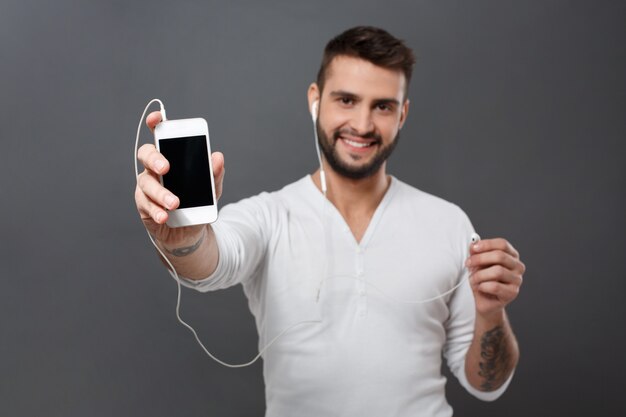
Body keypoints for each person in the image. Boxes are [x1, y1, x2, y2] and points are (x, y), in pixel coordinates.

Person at [135, 26, 525, 416]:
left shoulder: (448, 223)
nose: (363, 124)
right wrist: (182, 240)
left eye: (383, 106)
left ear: (402, 114)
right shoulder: (271, 217)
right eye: (346, 100)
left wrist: (491, 312)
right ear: (315, 101)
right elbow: (210, 263)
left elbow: (485, 386)